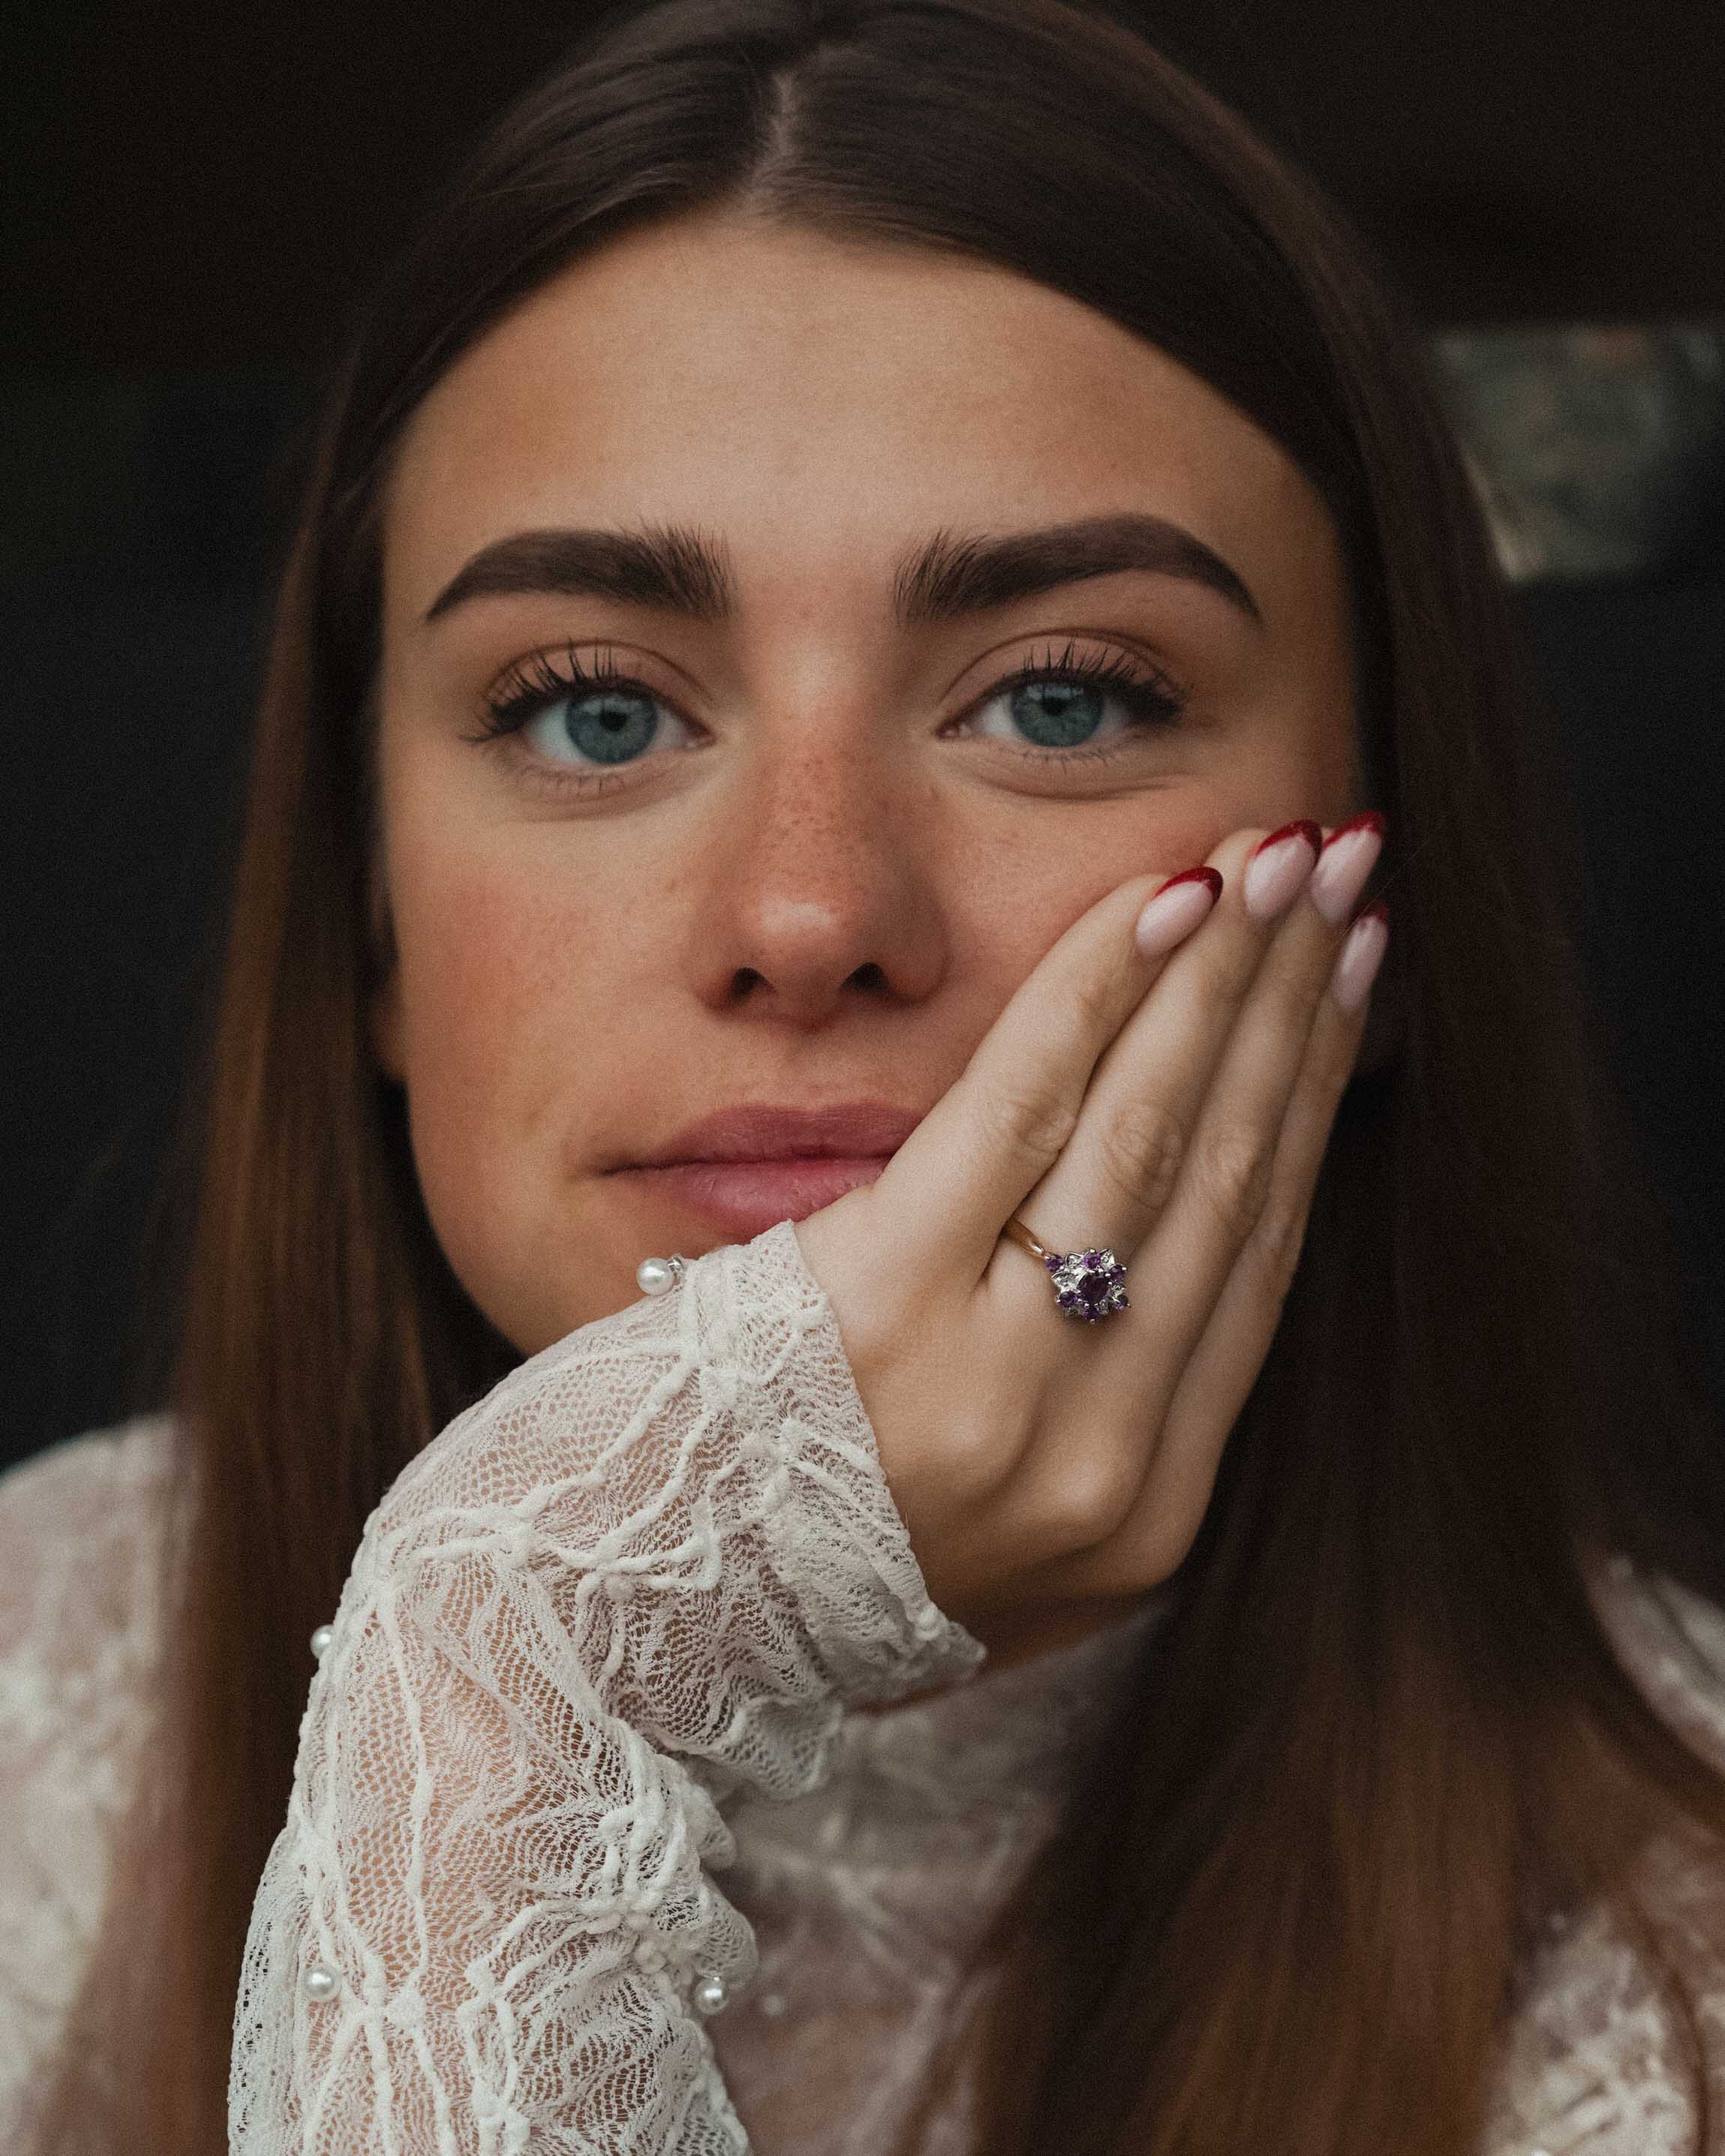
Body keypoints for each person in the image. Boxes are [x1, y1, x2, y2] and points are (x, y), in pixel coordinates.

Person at [5, 0, 1724, 2150]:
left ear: (1380, 924)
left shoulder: (1679, 1948)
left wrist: (527, 1630)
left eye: (1067, 699)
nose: (810, 916)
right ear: (367, 925)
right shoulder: (33, 1681)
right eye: (594, 713)